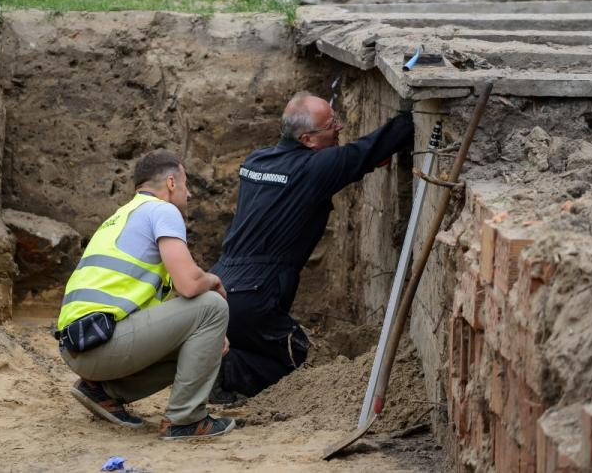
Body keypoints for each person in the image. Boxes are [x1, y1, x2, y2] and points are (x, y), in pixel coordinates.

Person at [210, 91, 414, 399]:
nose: (340, 127)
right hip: (257, 296)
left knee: (255, 344)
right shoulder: (315, 168)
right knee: (301, 362)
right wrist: (412, 116)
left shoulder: (256, 160)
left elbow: (359, 156)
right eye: (331, 124)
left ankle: (216, 365)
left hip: (220, 287)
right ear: (307, 139)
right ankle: (225, 373)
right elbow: (373, 147)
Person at [57, 149, 235, 440]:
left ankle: (101, 392)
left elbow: (170, 299)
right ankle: (185, 420)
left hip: (82, 343)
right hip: (100, 343)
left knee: (205, 336)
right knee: (213, 305)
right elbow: (189, 284)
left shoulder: (121, 216)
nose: (189, 194)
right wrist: (214, 281)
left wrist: (211, 337)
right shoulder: (163, 210)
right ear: (171, 183)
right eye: (186, 184)